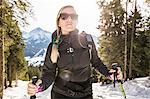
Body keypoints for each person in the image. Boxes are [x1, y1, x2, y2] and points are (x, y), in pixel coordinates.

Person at [27, 5, 123, 99]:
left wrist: (110, 74)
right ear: (58, 22)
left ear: (77, 20)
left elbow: (96, 62)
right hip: (60, 94)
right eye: (64, 17)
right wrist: (39, 86)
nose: (69, 20)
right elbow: (49, 73)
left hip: (85, 94)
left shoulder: (87, 40)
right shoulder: (53, 47)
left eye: (73, 16)